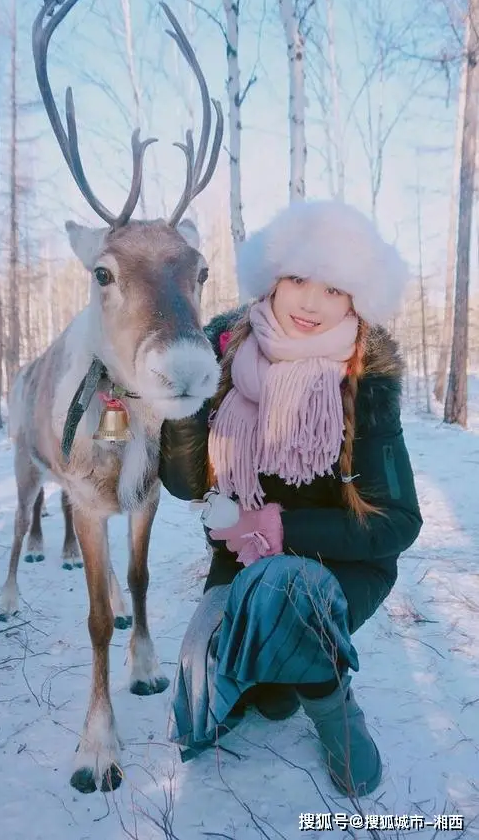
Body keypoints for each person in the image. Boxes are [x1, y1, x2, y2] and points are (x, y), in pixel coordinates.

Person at [158, 199, 423, 798]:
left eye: (334, 289)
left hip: (340, 568)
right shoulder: (224, 355)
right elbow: (187, 485)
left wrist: (279, 527)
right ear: (272, 280)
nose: (309, 302)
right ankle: (276, 675)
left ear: (355, 300)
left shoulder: (365, 376)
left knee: (288, 597)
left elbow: (398, 523)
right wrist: (182, 407)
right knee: (216, 689)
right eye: (298, 279)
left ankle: (335, 711)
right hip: (242, 564)